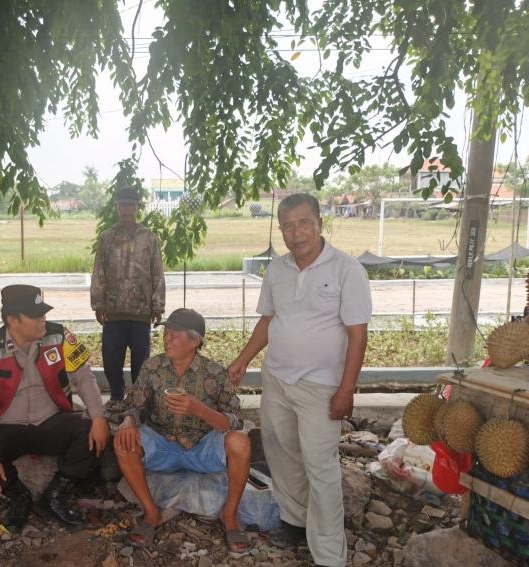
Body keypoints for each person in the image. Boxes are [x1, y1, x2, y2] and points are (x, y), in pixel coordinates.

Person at [228, 192, 371, 567]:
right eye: (288, 226)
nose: (297, 233)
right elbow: (268, 320)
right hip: (276, 377)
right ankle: (294, 520)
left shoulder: (346, 269)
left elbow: (358, 334)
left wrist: (346, 389)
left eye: (304, 223)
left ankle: (328, 554)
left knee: (319, 463)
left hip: (322, 385)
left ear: (319, 222)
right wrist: (243, 360)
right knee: (280, 450)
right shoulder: (277, 269)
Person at [0, 284, 109, 534]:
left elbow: (84, 377)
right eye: (35, 315)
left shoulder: (60, 336)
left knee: (89, 429)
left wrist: (98, 417)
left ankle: (54, 495)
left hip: (50, 423)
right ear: (12, 320)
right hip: (8, 428)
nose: (43, 320)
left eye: (43, 314)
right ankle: (19, 496)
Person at [114, 308, 251, 553]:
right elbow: (134, 406)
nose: (167, 339)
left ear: (195, 340)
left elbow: (235, 421)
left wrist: (201, 410)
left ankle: (229, 516)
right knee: (123, 440)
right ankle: (152, 513)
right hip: (163, 447)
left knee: (240, 442)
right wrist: (128, 421)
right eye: (166, 334)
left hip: (201, 449)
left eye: (174, 335)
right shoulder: (153, 367)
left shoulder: (216, 373)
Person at [90, 186, 165, 403]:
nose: (126, 209)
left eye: (131, 204)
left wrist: (157, 305)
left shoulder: (149, 238)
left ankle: (139, 400)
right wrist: (98, 303)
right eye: (122, 204)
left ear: (137, 207)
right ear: (117, 207)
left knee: (141, 361)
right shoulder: (107, 238)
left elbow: (157, 272)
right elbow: (99, 271)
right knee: (111, 358)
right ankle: (116, 397)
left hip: (141, 312)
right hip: (113, 311)